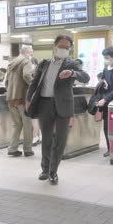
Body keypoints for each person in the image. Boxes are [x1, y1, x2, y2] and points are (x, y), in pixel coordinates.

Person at [26, 35, 90, 185]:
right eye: (61, 46)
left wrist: (73, 73)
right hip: (44, 104)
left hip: (64, 106)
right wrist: (28, 100)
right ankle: (45, 169)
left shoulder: (71, 64)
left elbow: (85, 77)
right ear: (55, 46)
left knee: (60, 140)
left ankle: (53, 172)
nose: (64, 50)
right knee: (47, 139)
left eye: (67, 48)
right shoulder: (44, 63)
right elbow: (34, 84)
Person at [5, 47, 34, 157]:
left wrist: (10, 93)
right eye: (31, 53)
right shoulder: (26, 61)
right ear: (26, 53)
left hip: (11, 98)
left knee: (16, 125)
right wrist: (33, 84)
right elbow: (27, 75)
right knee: (28, 125)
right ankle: (28, 149)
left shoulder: (11, 64)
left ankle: (12, 149)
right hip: (22, 98)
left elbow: (6, 82)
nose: (31, 55)